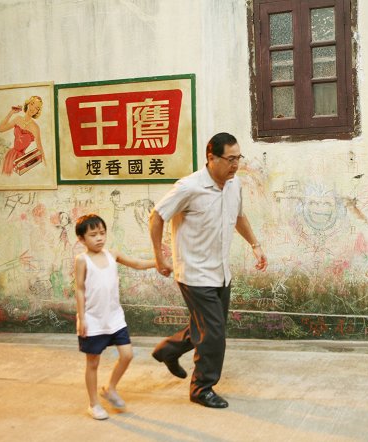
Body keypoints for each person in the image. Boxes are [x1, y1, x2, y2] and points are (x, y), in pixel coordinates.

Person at [149, 132, 268, 408]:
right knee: (213, 333)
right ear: (211, 157)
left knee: (207, 327)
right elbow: (156, 216)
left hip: (221, 271)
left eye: (238, 158)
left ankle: (168, 350)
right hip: (193, 272)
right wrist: (159, 257)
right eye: (230, 159)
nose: (235, 164)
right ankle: (201, 388)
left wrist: (255, 245)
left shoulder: (233, 184)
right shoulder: (189, 187)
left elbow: (238, 216)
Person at [74, 214, 156, 420]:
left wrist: (159, 263)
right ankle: (94, 404)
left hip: (115, 317)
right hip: (92, 320)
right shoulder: (82, 260)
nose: (99, 238)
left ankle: (110, 388)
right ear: (81, 239)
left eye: (102, 233)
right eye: (93, 235)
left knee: (127, 355)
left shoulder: (113, 255)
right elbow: (79, 289)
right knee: (93, 363)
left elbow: (137, 263)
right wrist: (82, 318)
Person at [0, 95, 45, 175]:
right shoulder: (18, 119)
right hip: (10, 156)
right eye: (32, 104)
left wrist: (46, 167)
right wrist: (11, 112)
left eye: (37, 108)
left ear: (37, 112)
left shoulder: (35, 127)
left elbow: (40, 149)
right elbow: (0, 129)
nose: (33, 109)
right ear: (28, 104)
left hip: (21, 160)